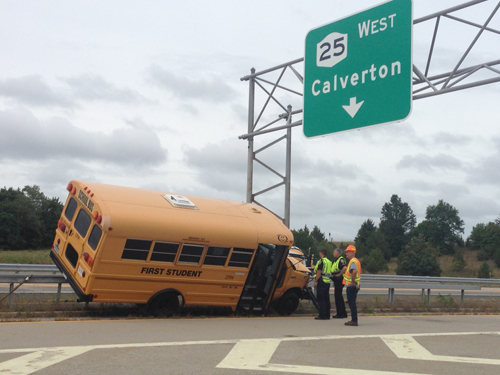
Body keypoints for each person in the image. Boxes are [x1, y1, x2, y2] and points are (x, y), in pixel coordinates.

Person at [343, 245, 361, 326]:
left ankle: (354, 320)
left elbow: (354, 272)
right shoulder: (354, 261)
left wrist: (352, 282)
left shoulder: (353, 261)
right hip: (354, 286)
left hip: (352, 286)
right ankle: (354, 319)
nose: (346, 253)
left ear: (352, 253)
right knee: (352, 302)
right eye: (346, 252)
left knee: (352, 303)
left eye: (348, 252)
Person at [313, 248, 332, 320]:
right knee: (326, 298)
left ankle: (322, 315)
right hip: (327, 282)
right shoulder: (329, 262)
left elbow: (319, 271)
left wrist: (315, 281)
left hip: (322, 281)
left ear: (321, 253)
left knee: (321, 299)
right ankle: (327, 315)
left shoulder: (321, 261)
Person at [330, 248, 348, 319]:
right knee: (339, 297)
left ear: (338, 253)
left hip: (339, 280)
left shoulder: (341, 259)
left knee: (338, 297)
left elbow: (344, 268)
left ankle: (340, 314)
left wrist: (339, 275)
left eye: (334, 252)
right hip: (337, 280)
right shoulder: (337, 260)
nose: (333, 253)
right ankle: (343, 313)